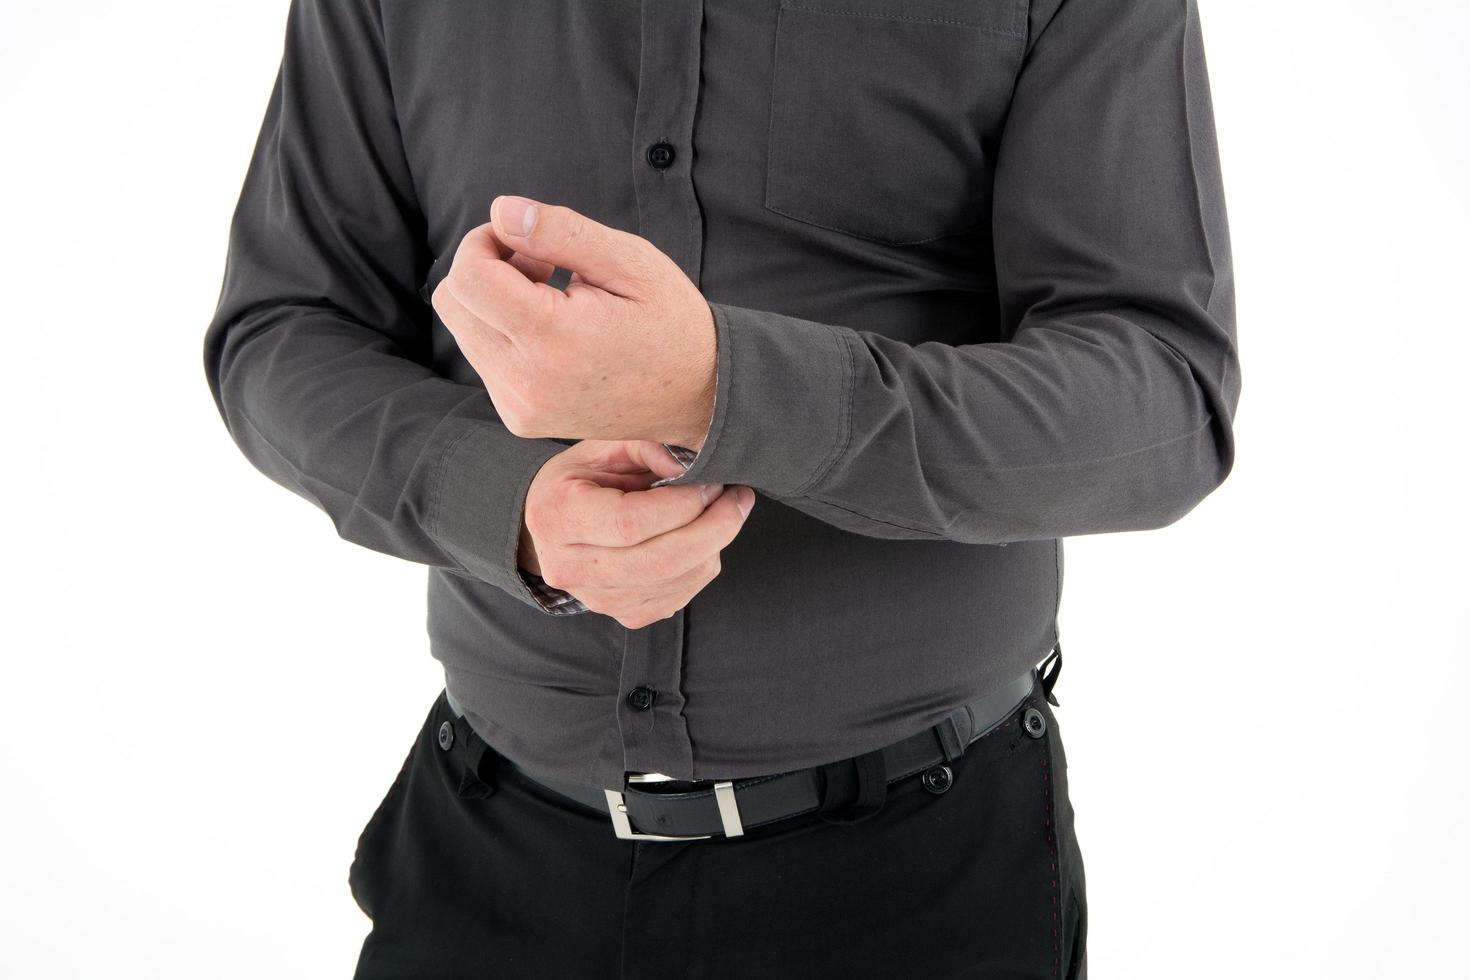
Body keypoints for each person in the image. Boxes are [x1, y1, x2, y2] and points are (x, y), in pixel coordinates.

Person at [202, 0, 1238, 976]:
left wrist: (722, 385)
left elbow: (1162, 398)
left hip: (922, 876)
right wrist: (508, 505)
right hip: (488, 857)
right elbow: (282, 329)